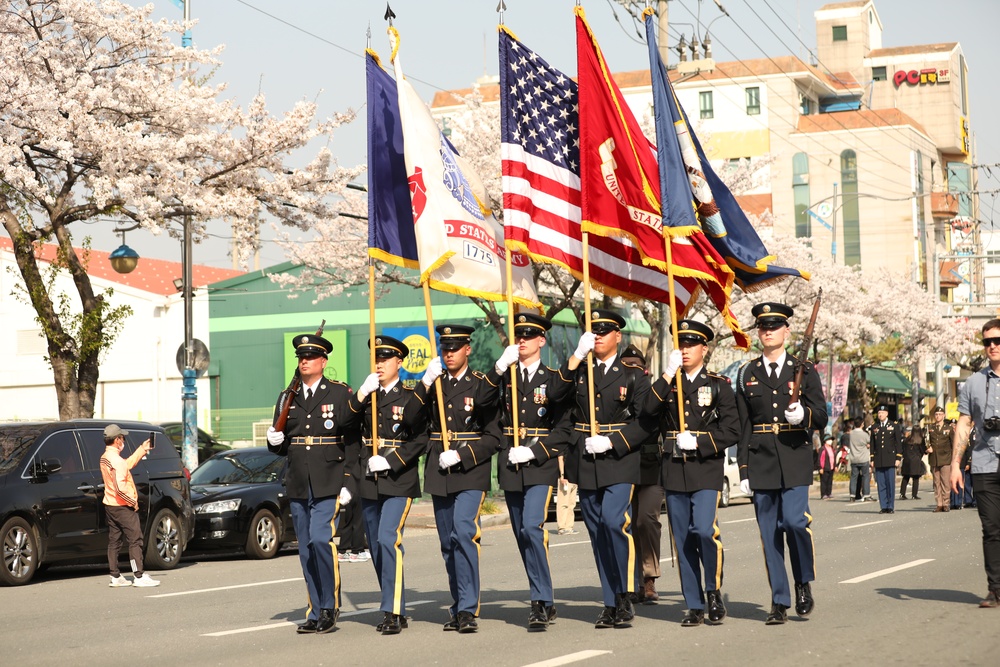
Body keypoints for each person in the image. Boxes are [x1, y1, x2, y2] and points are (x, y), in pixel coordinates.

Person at [552, 309, 656, 629]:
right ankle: (610, 602)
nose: (597, 335)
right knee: (598, 534)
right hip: (586, 461)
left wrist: (613, 442)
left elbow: (645, 421)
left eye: (604, 330)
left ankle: (625, 595)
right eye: (593, 331)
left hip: (619, 459)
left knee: (613, 523)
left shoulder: (633, 375)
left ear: (617, 336)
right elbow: (556, 398)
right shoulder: (580, 371)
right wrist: (574, 357)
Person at [736, 302, 828, 625]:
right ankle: (779, 599)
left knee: (794, 522)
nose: (768, 331)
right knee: (769, 533)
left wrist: (804, 415)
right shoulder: (747, 373)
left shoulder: (802, 369)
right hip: (761, 460)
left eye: (774, 326)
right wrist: (743, 469)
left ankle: (803, 582)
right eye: (763, 327)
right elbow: (744, 425)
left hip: (794, 457)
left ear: (787, 331)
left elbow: (822, 414)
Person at [644, 320, 740, 626]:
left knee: (702, 530)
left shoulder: (718, 385)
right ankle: (695, 603)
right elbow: (647, 410)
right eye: (680, 345)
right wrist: (665, 374)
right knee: (682, 538)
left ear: (704, 349)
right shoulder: (669, 383)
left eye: (690, 345)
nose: (684, 350)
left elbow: (732, 430)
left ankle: (712, 591)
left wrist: (698, 441)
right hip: (673, 469)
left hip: (706, 468)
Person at [266, 332, 361, 634]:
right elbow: (283, 443)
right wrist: (274, 442)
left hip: (329, 479)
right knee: (306, 548)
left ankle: (329, 607)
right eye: (300, 357)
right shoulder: (287, 397)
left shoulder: (339, 393)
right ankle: (314, 608)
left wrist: (348, 480)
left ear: (323, 361)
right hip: (298, 481)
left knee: (321, 540)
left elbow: (352, 440)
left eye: (310, 357)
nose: (304, 361)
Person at [487, 313, 573, 629]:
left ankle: (540, 600)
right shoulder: (505, 377)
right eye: (518, 335)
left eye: (529, 335)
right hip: (511, 463)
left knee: (532, 526)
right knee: (521, 533)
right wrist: (497, 368)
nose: (522, 340)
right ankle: (543, 596)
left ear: (541, 340)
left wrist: (535, 450)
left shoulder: (552, 379)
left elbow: (564, 427)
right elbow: (482, 404)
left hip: (539, 464)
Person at [414, 323, 501, 633]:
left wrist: (463, 455)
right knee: (447, 543)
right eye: (444, 348)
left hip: (470, 471)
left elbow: (494, 437)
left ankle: (467, 608)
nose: (448, 353)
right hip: (440, 472)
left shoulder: (481, 386)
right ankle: (458, 603)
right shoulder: (434, 385)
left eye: (454, 348)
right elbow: (411, 420)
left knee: (463, 532)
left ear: (468, 349)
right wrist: (424, 384)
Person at [350, 335, 427, 635]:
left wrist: (393, 460)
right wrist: (359, 396)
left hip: (399, 479)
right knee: (376, 547)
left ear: (400, 362)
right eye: (377, 358)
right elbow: (346, 426)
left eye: (386, 358)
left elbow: (421, 439)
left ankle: (393, 611)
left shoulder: (410, 397)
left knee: (387, 538)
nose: (380, 363)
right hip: (370, 480)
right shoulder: (367, 395)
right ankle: (396, 603)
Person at [951, 318, 1000, 608]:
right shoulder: (973, 382)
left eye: (997, 341)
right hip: (984, 463)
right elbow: (964, 423)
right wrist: (956, 463)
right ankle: (995, 589)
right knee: (992, 528)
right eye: (987, 342)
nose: (992, 346)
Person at [619, 343, 664, 605]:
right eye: (626, 366)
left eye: (634, 366)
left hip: (649, 466)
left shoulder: (654, 391)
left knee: (645, 521)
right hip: (621, 462)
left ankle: (648, 578)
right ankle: (629, 582)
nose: (630, 371)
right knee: (623, 523)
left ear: (643, 369)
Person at [100, 424, 159, 588]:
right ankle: (138, 576)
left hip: (110, 504)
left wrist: (142, 449)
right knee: (135, 540)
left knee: (114, 541)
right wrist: (132, 502)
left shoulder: (106, 457)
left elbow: (126, 465)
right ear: (117, 439)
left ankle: (115, 576)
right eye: (123, 438)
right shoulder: (116, 461)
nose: (123, 440)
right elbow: (120, 487)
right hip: (122, 506)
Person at [869, 405, 903, 514]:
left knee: (890, 484)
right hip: (879, 459)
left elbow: (898, 442)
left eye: (882, 413)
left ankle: (890, 506)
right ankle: (883, 506)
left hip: (890, 458)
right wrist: (872, 458)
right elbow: (872, 444)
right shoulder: (875, 426)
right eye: (879, 413)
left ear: (887, 414)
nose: (880, 414)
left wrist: (898, 457)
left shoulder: (894, 425)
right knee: (881, 484)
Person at [926, 405, 953, 512]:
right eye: (936, 414)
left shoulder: (949, 428)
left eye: (940, 414)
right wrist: (928, 448)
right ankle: (939, 504)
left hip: (945, 458)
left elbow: (953, 443)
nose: (938, 416)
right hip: (934, 458)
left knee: (945, 482)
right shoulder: (930, 428)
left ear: (944, 415)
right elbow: (925, 441)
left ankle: (946, 503)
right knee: (936, 482)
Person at [899, 425, 926, 501]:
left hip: (907, 460)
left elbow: (902, 449)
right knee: (916, 478)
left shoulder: (907, 439)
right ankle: (914, 495)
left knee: (905, 477)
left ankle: (902, 494)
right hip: (916, 460)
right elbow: (923, 450)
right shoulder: (920, 440)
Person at [848, 420, 872, 502]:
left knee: (853, 477)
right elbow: (869, 442)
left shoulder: (851, 433)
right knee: (865, 476)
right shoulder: (864, 434)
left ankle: (852, 495)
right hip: (863, 458)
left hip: (853, 458)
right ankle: (866, 495)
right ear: (862, 424)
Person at [556, 455, 579, 535]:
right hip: (565, 478)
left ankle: (569, 527)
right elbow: (560, 458)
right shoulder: (564, 445)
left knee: (572, 504)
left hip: (574, 478)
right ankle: (562, 528)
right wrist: (562, 476)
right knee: (563, 503)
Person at [818, 435, 836, 500]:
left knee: (829, 481)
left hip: (831, 467)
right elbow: (820, 459)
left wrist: (835, 466)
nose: (830, 441)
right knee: (824, 481)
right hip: (824, 468)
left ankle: (829, 493)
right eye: (829, 440)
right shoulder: (822, 449)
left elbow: (834, 458)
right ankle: (823, 494)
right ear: (825, 441)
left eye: (831, 440)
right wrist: (820, 468)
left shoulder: (832, 449)